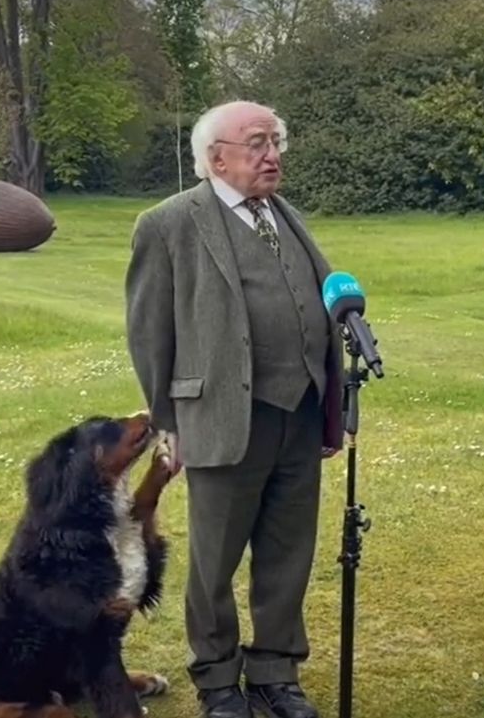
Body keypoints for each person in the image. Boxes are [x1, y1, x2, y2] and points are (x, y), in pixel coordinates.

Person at [124, 101, 344, 718]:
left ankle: (277, 673)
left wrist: (328, 408)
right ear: (216, 156)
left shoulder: (285, 215)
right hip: (218, 419)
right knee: (214, 562)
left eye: (275, 142)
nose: (272, 154)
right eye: (257, 143)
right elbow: (149, 335)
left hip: (297, 416)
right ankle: (219, 682)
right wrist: (168, 423)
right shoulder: (168, 224)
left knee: (287, 553)